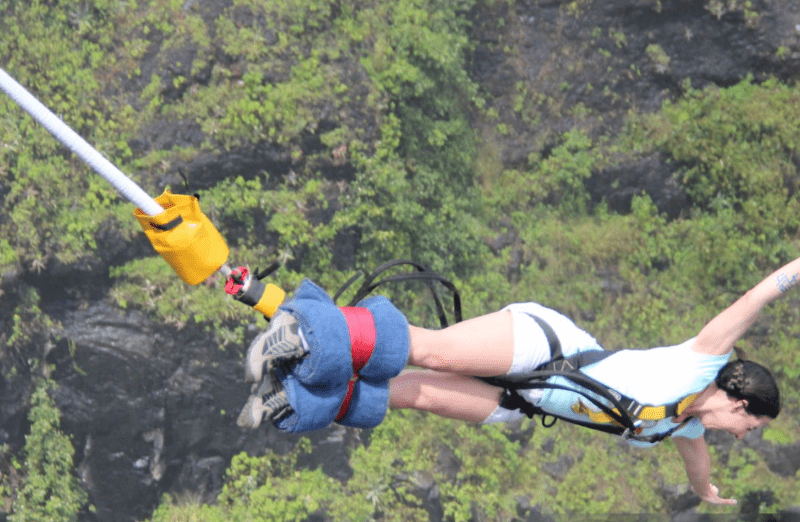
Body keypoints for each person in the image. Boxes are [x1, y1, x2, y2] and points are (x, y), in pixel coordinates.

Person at [237, 254, 791, 506]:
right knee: (431, 351)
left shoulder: (685, 431)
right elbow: (755, 299)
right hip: (547, 345)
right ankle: (309, 336)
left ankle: (297, 398)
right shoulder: (701, 362)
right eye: (752, 427)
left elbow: (699, 468)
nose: (743, 437)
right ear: (740, 404)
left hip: (524, 399)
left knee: (416, 394)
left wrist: (707, 494)